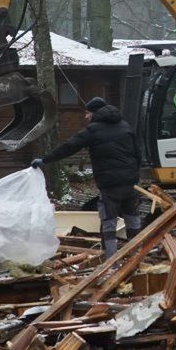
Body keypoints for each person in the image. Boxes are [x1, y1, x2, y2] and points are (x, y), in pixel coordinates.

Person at [31, 97, 142, 259]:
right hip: (129, 183)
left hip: (109, 184)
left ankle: (110, 261)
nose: (85, 117)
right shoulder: (126, 126)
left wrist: (45, 160)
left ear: (95, 113)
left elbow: (68, 147)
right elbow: (138, 153)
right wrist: (133, 174)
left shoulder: (93, 130)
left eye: (87, 113)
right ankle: (138, 255)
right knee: (133, 219)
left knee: (108, 223)